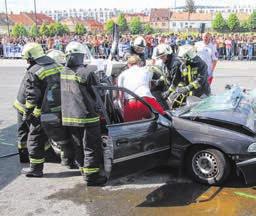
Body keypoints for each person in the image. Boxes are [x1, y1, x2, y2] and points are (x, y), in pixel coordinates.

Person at [61, 41, 106, 186]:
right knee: (91, 146)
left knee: (78, 145)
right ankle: (92, 177)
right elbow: (97, 93)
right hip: (87, 116)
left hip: (69, 116)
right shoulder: (86, 72)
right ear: (81, 55)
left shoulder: (62, 71)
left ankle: (83, 171)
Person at [21, 42, 63, 177]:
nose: (27, 61)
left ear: (31, 57)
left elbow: (32, 97)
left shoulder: (33, 71)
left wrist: (27, 113)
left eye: (27, 58)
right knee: (65, 137)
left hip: (43, 113)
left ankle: (36, 169)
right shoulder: (56, 65)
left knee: (35, 139)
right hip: (61, 109)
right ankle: (70, 160)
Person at [118, 55, 164, 122]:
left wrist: (123, 109)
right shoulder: (146, 70)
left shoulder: (122, 75)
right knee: (164, 119)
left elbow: (120, 96)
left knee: (130, 129)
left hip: (130, 103)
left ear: (128, 64)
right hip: (146, 100)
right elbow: (149, 87)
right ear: (139, 63)